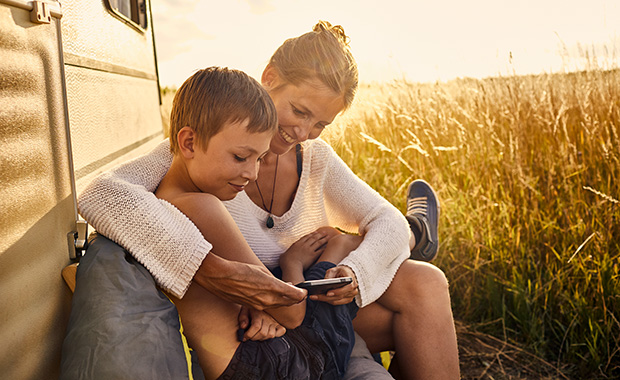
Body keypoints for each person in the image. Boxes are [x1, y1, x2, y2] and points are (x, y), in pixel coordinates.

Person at [78, 21, 460, 379]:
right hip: (273, 319)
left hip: (296, 305)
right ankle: (415, 235)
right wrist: (203, 266)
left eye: (321, 124)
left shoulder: (315, 158)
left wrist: (357, 272)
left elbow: (383, 220)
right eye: (299, 111)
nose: (304, 132)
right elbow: (102, 194)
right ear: (270, 78)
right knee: (357, 249)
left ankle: (409, 234)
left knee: (425, 281)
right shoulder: (205, 149)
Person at [154, 65, 359, 379]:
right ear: (189, 143)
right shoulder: (204, 207)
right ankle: (352, 241)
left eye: (260, 158)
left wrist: (257, 304)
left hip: (252, 356)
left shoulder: (162, 194)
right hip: (270, 364)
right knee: (336, 246)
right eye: (240, 157)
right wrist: (292, 263)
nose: (251, 173)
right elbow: (291, 312)